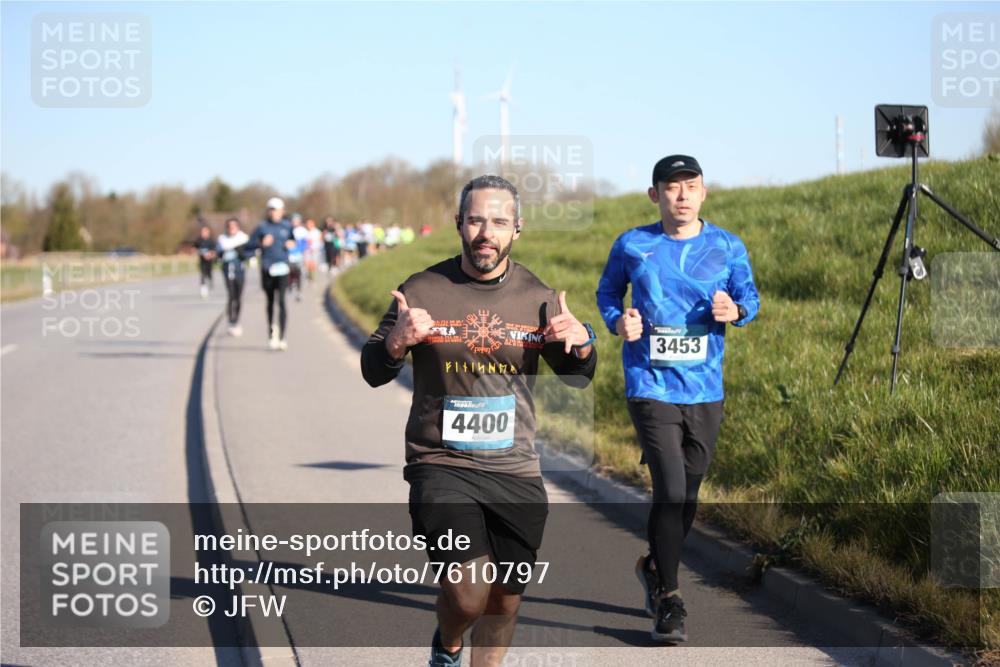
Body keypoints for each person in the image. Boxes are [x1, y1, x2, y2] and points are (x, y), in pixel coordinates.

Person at [361, 175, 597, 667]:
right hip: (440, 463)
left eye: (499, 222)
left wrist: (583, 343)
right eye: (475, 220)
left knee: (505, 599)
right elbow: (373, 370)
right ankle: (446, 647)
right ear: (458, 225)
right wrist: (396, 342)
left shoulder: (539, 297)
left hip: (514, 469)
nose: (486, 232)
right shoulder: (422, 289)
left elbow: (577, 374)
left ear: (518, 229)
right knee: (469, 594)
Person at [596, 155, 759, 643]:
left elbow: (749, 297)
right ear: (655, 195)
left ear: (704, 193)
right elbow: (608, 294)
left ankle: (652, 564)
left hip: (705, 386)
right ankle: (669, 597)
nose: (682, 196)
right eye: (671, 188)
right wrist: (617, 321)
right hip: (650, 383)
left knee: (687, 493)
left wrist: (736, 309)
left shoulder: (727, 246)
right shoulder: (633, 244)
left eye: (691, 187)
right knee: (669, 489)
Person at [246, 197, 296, 350]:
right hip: (267, 268)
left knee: (281, 301)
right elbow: (248, 247)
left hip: (283, 268)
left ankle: (282, 337)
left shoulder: (287, 226)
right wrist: (261, 244)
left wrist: (291, 244)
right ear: (268, 211)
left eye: (277, 210)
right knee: (270, 302)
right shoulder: (262, 227)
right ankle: (271, 332)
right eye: (271, 210)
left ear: (282, 211)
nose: (274, 213)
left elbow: (294, 242)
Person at [217, 217, 249, 336]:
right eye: (229, 226)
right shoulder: (222, 239)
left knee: (238, 297)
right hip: (227, 271)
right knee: (231, 296)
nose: (231, 229)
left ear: (238, 227)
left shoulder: (243, 238)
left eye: (234, 226)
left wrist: (240, 252)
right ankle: (231, 322)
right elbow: (219, 255)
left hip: (240, 271)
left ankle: (237, 320)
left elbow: (247, 254)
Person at [195, 225, 216, 298]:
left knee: (209, 273)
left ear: (208, 232)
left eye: (205, 231)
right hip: (202, 261)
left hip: (209, 261)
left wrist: (210, 255)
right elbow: (194, 249)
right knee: (202, 275)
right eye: (202, 232)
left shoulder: (211, 241)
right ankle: (203, 290)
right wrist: (200, 253)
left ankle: (210, 280)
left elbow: (214, 251)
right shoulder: (198, 241)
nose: (203, 233)